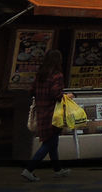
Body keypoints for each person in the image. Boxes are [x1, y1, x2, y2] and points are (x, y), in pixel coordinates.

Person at [22, 49, 70, 182]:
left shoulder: (40, 75)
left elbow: (31, 91)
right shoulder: (57, 75)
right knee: (48, 144)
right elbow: (56, 94)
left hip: (41, 113)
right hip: (53, 114)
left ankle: (58, 170)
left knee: (52, 142)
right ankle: (29, 170)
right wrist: (68, 96)